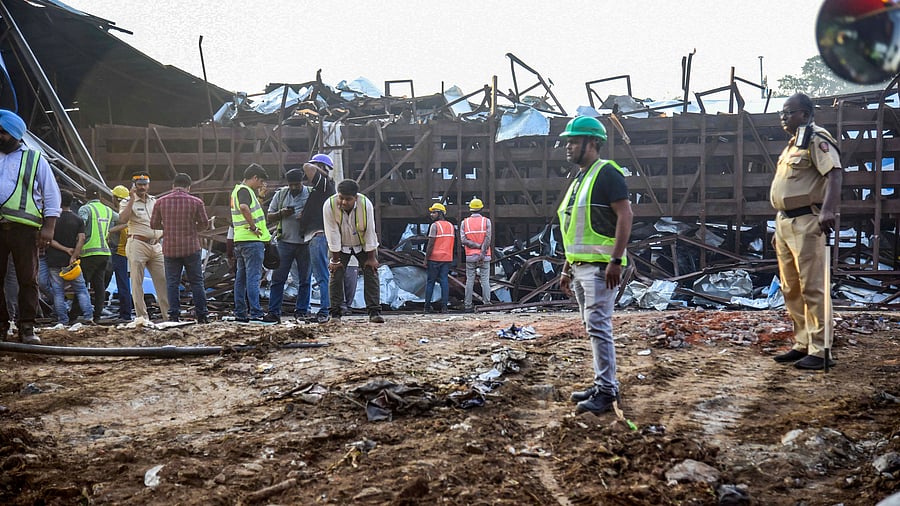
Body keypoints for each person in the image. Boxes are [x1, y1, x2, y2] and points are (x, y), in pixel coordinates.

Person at [557, 116, 633, 416]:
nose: (568, 146)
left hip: (600, 268)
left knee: (599, 327)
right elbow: (575, 227)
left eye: (574, 141)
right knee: (593, 327)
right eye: (568, 141)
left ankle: (606, 390)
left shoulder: (606, 174)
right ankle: (602, 382)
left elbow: (626, 215)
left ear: (593, 143)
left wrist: (616, 259)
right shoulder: (580, 178)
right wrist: (566, 267)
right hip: (579, 267)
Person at [771, 93, 843, 371]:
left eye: (789, 112)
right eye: (782, 113)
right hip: (786, 222)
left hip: (808, 222)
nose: (783, 117)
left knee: (813, 286)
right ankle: (803, 343)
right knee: (791, 288)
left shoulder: (817, 139)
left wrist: (828, 210)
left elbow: (834, 173)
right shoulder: (793, 144)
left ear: (805, 113)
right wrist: (778, 225)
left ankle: (821, 349)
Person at [0, 109, 61, 344]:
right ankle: (2, 325)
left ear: (16, 133)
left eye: (3, 132)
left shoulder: (35, 159)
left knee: (28, 279)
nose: (0, 136)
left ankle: (27, 327)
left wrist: (49, 228)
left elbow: (51, 195)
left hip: (24, 230)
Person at [150, 173, 210, 323]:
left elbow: (153, 224)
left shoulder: (160, 202)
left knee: (172, 283)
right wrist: (193, 228)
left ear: (173, 185)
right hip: (191, 247)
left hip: (170, 248)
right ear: (188, 187)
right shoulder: (196, 202)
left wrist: (167, 227)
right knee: (197, 282)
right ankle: (202, 315)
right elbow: (204, 224)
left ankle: (174, 315)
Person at [323, 179, 384, 323]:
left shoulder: (365, 204)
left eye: (348, 199)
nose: (344, 202)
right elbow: (332, 233)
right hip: (340, 245)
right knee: (335, 274)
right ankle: (335, 314)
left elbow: (370, 230)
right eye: (341, 198)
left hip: (362, 245)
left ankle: (374, 312)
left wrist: (371, 257)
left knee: (371, 272)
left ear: (355, 198)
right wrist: (335, 260)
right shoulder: (329, 205)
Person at [119, 171, 169, 321]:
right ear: (134, 186)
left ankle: (169, 317)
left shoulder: (154, 201)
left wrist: (163, 234)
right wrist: (132, 200)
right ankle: (142, 317)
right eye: (139, 184)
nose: (142, 187)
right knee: (137, 283)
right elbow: (122, 219)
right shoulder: (127, 201)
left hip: (155, 245)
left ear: (148, 185)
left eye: (144, 184)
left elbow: (163, 219)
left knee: (163, 281)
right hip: (138, 244)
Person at [263, 168, 310, 323]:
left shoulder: (310, 194)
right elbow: (269, 217)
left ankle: (302, 311)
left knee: (304, 280)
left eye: (297, 184)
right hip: (284, 242)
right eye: (291, 185)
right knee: (278, 279)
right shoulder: (281, 194)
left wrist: (306, 216)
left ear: (302, 181)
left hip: (305, 243)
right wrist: (282, 214)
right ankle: (274, 312)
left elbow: (320, 216)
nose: (294, 188)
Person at [46, 190, 94, 327]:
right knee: (81, 289)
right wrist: (73, 255)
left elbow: (50, 240)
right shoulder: (77, 219)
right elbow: (82, 239)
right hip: (72, 263)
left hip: (54, 260)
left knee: (58, 292)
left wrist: (63, 249)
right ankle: (88, 317)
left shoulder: (52, 219)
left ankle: (63, 320)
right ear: (72, 202)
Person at [298, 153, 336, 323]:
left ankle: (325, 310)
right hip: (312, 235)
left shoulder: (324, 184)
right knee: (313, 275)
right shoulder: (320, 189)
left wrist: (321, 170)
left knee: (321, 274)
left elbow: (307, 166)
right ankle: (313, 310)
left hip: (318, 235)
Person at [230, 163, 270, 323]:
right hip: (251, 241)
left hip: (240, 240)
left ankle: (240, 313)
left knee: (241, 279)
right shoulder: (244, 190)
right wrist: (253, 227)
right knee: (253, 278)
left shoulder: (237, 191)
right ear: (254, 177)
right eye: (260, 181)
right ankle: (256, 313)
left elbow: (249, 207)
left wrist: (260, 196)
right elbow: (245, 207)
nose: (260, 185)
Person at [78, 185, 115, 322]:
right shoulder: (107, 209)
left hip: (88, 253)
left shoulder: (85, 209)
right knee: (99, 286)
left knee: (82, 285)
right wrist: (110, 230)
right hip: (104, 252)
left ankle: (74, 314)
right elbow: (121, 219)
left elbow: (81, 224)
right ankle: (97, 315)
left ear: (86, 196)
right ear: (99, 196)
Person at [460, 197, 492, 312]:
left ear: (470, 209)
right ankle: (487, 304)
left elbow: (463, 240)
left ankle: (468, 305)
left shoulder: (465, 223)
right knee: (485, 281)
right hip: (484, 256)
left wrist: (475, 246)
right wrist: (482, 252)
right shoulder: (486, 221)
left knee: (469, 281)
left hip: (470, 256)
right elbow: (488, 238)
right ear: (481, 208)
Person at [423, 203, 455, 313]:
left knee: (431, 282)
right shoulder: (451, 226)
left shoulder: (435, 226)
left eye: (434, 212)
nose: (432, 215)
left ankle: (427, 307)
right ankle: (444, 307)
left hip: (434, 258)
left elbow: (431, 243)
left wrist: (426, 258)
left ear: (440, 213)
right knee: (444, 282)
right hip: (446, 258)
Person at [108, 185, 133, 322]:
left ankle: (126, 314)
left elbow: (125, 228)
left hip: (120, 253)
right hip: (128, 253)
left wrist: (109, 231)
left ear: (116, 199)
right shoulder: (128, 212)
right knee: (125, 284)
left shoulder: (122, 216)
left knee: (123, 284)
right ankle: (126, 312)